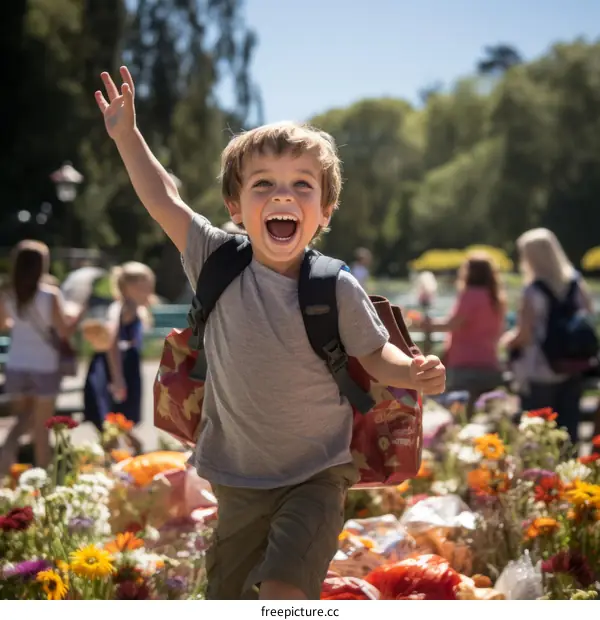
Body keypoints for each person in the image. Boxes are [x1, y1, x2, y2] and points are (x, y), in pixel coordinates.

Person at [94, 66, 446, 601]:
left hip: (318, 472)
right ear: (236, 207)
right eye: (264, 185)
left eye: (302, 185)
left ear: (324, 210)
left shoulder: (335, 286)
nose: (283, 195)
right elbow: (164, 197)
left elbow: (376, 355)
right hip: (234, 475)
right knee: (229, 598)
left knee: (285, 591)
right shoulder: (215, 258)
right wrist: (128, 136)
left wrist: (413, 372)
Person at [502, 228, 595, 443]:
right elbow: (587, 314)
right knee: (568, 433)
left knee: (538, 435)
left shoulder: (533, 291)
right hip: (572, 365)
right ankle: (569, 475)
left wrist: (506, 341)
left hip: (540, 369)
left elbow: (524, 335)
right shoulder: (575, 284)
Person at [0, 241, 84, 475]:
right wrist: (76, 314)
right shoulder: (50, 295)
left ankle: (6, 455)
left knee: (22, 420)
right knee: (41, 427)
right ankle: (44, 475)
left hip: (17, 364)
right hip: (44, 366)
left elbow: (3, 325)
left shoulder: (7, 293)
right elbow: (64, 330)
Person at [82, 261, 155, 450]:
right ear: (128, 287)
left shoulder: (137, 308)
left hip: (128, 363)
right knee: (111, 413)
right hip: (115, 365)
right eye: (143, 286)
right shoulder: (121, 308)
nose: (148, 290)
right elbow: (112, 341)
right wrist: (117, 377)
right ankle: (115, 456)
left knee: (122, 415)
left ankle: (128, 448)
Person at [423, 252, 506, 417]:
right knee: (486, 417)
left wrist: (423, 323)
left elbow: (452, 324)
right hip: (489, 363)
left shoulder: (470, 295)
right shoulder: (496, 298)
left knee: (461, 417)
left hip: (465, 365)